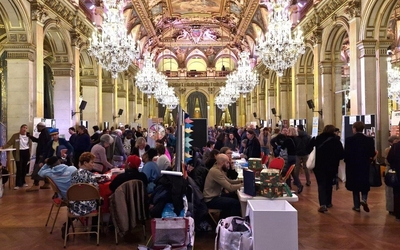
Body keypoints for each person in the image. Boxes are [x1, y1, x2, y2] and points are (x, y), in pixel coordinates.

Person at [307, 124, 344, 213]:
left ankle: (322, 204)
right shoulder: (336, 141)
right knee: (329, 184)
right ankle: (328, 202)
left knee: (321, 184)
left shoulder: (317, 139)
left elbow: (308, 149)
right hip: (332, 166)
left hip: (319, 166)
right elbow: (341, 155)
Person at [344, 121, 376, 213]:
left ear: (354, 129)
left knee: (355, 186)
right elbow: (372, 153)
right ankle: (364, 199)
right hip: (364, 164)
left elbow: (346, 153)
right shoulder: (369, 140)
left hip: (352, 165)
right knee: (365, 183)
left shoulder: (349, 140)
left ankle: (356, 206)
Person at [203, 154, 242, 218]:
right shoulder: (215, 172)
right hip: (211, 200)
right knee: (235, 203)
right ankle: (231, 223)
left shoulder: (218, 169)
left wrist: (241, 182)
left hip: (216, 196)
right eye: (227, 163)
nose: (228, 165)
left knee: (235, 196)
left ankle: (225, 217)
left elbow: (229, 181)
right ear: (222, 163)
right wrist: (242, 185)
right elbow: (230, 188)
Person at [0, 124, 32, 189]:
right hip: (19, 152)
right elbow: (9, 143)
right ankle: (18, 184)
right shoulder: (15, 136)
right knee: (19, 168)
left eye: (26, 128)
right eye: (23, 127)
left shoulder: (28, 136)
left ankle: (23, 182)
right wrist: (3, 147)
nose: (24, 129)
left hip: (26, 152)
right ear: (20, 128)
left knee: (24, 168)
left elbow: (31, 144)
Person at [27, 122, 51, 191]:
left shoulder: (44, 133)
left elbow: (44, 145)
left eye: (37, 127)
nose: (37, 129)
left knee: (37, 168)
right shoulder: (45, 132)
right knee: (44, 168)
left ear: (41, 127)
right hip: (44, 154)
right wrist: (31, 137)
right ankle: (46, 183)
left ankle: (36, 184)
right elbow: (39, 141)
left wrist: (42, 154)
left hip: (42, 154)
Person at [383, 136, 399, 215]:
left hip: (390, 171)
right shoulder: (390, 149)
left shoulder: (388, 150)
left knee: (390, 191)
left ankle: (391, 208)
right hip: (393, 170)